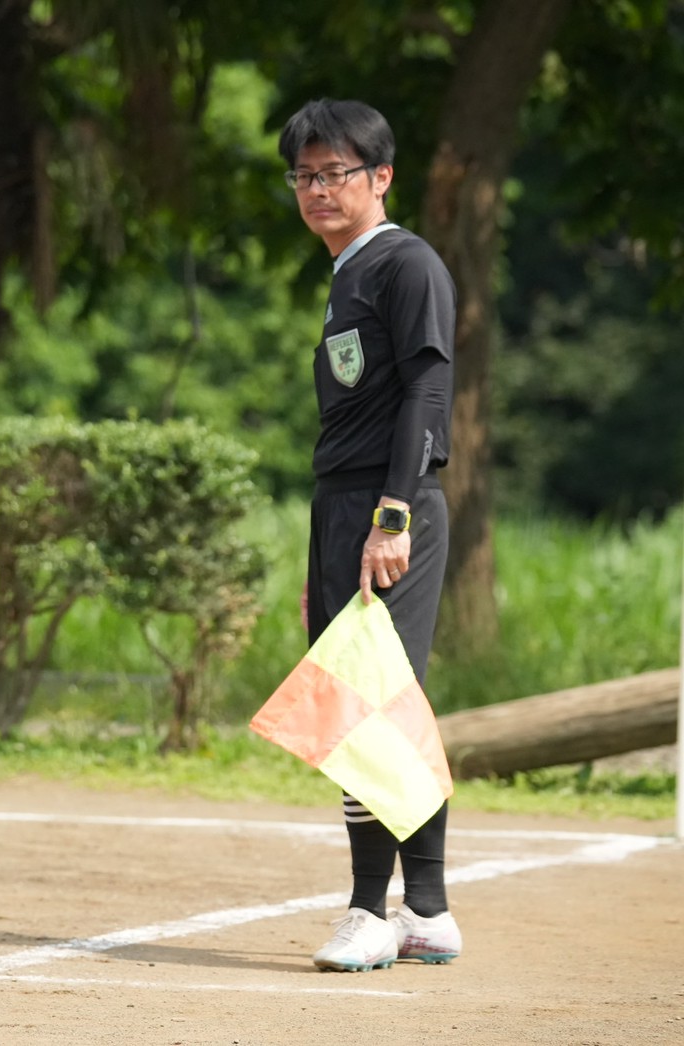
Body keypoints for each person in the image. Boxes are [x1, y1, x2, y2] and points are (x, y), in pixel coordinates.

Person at [278, 99, 462, 973]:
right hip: (344, 507)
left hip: (391, 505)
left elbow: (429, 391)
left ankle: (367, 911)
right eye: (305, 175)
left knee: (364, 706)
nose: (318, 189)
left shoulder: (405, 264)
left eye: (336, 172)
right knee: (381, 699)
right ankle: (424, 908)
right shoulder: (349, 272)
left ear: (380, 177)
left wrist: (394, 513)